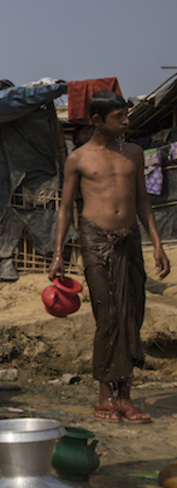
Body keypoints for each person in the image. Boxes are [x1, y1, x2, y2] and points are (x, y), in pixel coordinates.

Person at [48, 90, 170, 424]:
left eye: (126, 115)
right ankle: (105, 395)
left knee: (131, 313)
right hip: (95, 238)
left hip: (129, 239)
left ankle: (126, 396)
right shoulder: (79, 159)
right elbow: (65, 208)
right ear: (98, 121)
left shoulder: (134, 153)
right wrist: (58, 253)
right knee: (108, 312)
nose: (128, 121)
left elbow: (143, 201)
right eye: (120, 117)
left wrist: (156, 243)